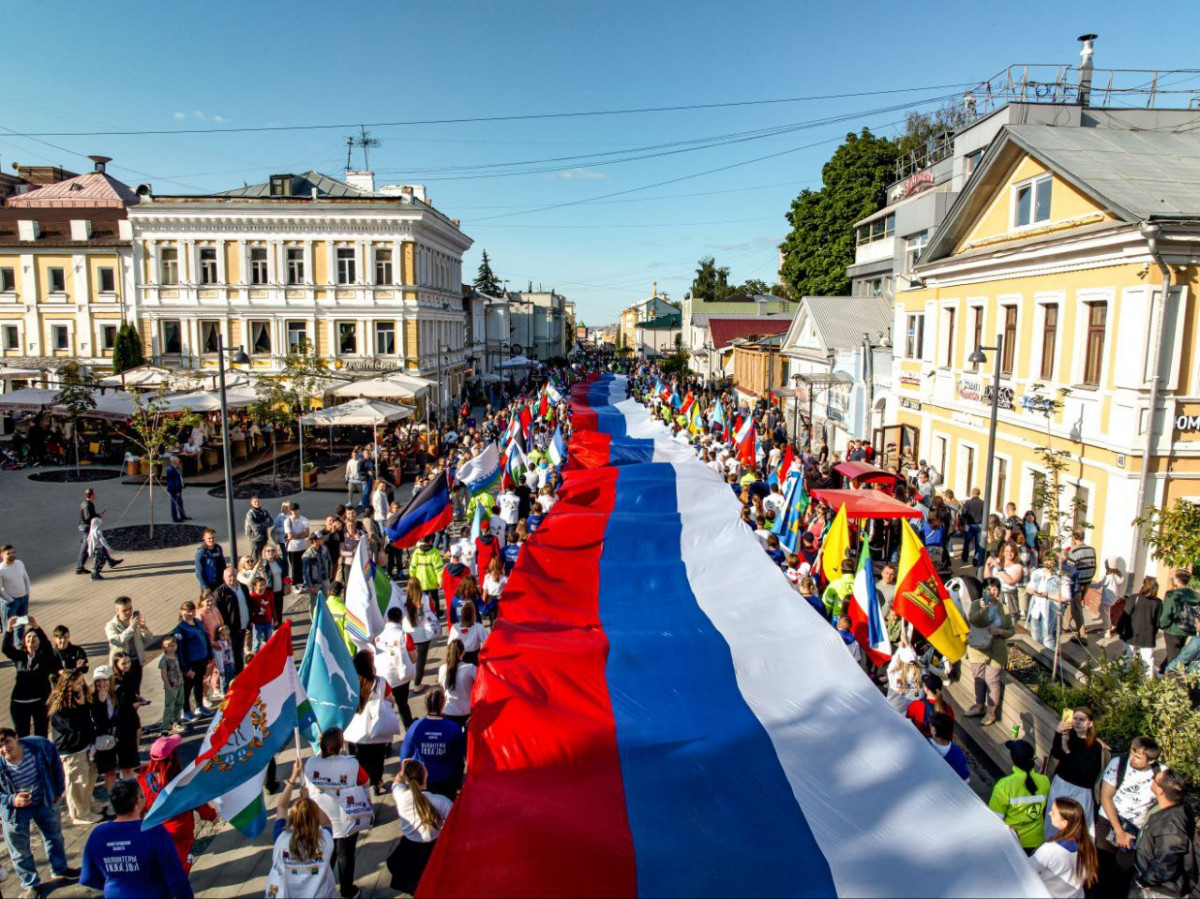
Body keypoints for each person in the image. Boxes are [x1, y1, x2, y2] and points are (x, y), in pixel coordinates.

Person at [80, 777, 192, 899]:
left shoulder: (98, 834)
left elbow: (88, 877)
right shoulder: (154, 832)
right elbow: (176, 876)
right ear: (138, 801)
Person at [0, 727, 77, 896]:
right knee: (20, 850)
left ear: (17, 738)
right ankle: (31, 884)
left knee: (54, 836)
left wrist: (58, 792)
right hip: (15, 811)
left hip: (44, 800)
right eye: (0, 745)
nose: (5, 748)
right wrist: (13, 800)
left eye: (7, 742)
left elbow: (56, 765)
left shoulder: (39, 746)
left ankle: (60, 869)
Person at [1096, 736, 1167, 898]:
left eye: (1138, 757)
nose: (1132, 759)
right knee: (1102, 868)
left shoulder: (1161, 772)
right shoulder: (1118, 764)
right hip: (1109, 819)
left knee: (1122, 874)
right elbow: (1106, 797)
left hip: (1135, 827)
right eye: (1132, 753)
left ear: (1150, 761)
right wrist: (1119, 831)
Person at [303, 729, 369, 899]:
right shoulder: (351, 764)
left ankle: (322, 888)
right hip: (344, 819)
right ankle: (347, 891)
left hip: (320, 819)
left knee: (325, 856)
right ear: (341, 746)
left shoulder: (310, 763)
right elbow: (366, 781)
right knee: (346, 855)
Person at [138, 735, 216, 874]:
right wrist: (211, 816)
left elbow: (139, 808)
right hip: (180, 831)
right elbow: (198, 803)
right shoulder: (184, 780)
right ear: (173, 757)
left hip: (155, 830)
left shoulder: (143, 779)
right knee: (179, 867)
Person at [386, 758, 453, 896]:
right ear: (425, 775)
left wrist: (402, 771)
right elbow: (454, 821)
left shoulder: (401, 796)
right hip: (433, 850)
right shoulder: (441, 802)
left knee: (414, 884)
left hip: (408, 849)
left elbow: (396, 783)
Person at [269, 765, 337, 899]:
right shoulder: (325, 841)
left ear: (293, 818)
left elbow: (281, 807)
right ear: (314, 818)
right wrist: (309, 800)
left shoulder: (281, 839)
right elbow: (327, 822)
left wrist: (293, 778)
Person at [1132, 769, 1197, 899]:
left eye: (1155, 780)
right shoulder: (1172, 809)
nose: (1152, 780)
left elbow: (1166, 864)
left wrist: (1145, 880)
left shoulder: (1171, 823)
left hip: (1162, 890)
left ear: (1161, 791)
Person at [48, 670, 100, 825]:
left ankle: (87, 806)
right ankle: (79, 814)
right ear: (68, 684)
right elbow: (73, 724)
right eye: (78, 682)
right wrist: (82, 705)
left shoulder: (80, 696)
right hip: (71, 748)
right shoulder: (59, 702)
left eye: (82, 681)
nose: (82, 685)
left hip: (85, 743)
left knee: (89, 776)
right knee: (77, 781)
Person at [1044, 706, 1103, 841]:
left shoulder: (1096, 746)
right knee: (1054, 822)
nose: (1076, 722)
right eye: (1075, 718)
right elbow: (1056, 754)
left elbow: (1085, 771)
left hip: (1080, 791)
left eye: (1081, 719)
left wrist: (1067, 750)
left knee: (1078, 826)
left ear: (1090, 723)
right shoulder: (1067, 736)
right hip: (1060, 785)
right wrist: (1058, 734)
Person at [964, 577, 1015, 727]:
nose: (992, 592)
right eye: (988, 588)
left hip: (996, 650)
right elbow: (974, 621)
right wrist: (983, 610)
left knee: (992, 681)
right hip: (978, 649)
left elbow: (1011, 629)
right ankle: (979, 706)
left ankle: (991, 712)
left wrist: (1002, 632)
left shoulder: (1003, 608)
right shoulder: (975, 604)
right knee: (979, 678)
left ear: (998, 591)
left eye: (995, 588)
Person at [345, 651, 397, 795]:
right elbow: (390, 700)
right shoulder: (381, 682)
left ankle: (361, 783)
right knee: (377, 760)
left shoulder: (351, 683)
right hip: (376, 729)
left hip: (354, 732)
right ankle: (377, 782)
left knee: (358, 761)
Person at [399, 689, 466, 800]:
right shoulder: (453, 727)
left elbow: (404, 756)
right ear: (443, 704)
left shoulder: (416, 726)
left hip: (422, 780)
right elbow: (461, 753)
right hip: (447, 780)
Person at [988, 738, 1050, 854]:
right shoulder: (1045, 781)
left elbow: (995, 820)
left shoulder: (1004, 786)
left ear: (1013, 758)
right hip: (1037, 842)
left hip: (1012, 842)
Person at [1030, 797, 1098, 898]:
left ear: (1064, 823)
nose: (1049, 813)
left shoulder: (1049, 850)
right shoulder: (1088, 846)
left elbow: (1026, 870)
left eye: (1053, 812)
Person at [374, 607, 417, 729]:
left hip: (382, 677)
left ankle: (385, 735)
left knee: (385, 708)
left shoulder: (378, 636)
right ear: (401, 620)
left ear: (387, 619)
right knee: (403, 704)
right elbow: (414, 657)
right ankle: (408, 726)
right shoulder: (404, 636)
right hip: (400, 677)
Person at [171, 601, 212, 720]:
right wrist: (185, 668)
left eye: (192, 611)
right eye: (187, 611)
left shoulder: (197, 623)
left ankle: (199, 706)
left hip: (201, 660)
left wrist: (209, 654)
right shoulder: (180, 629)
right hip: (190, 664)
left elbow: (206, 638)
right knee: (187, 688)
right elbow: (179, 651)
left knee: (199, 684)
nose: (190, 613)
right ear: (181, 612)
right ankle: (186, 710)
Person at [1158, 568, 1199, 671]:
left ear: (1177, 579)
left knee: (1174, 657)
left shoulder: (1172, 594)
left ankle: (1169, 681)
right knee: (1176, 652)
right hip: (1189, 628)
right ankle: (1162, 670)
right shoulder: (1196, 595)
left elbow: (1165, 614)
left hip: (1173, 629)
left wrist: (1162, 625)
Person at [1061, 528, 1097, 645]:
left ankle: (1083, 635)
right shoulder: (1092, 550)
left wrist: (1063, 560)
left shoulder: (1074, 552)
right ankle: (1065, 625)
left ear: (1074, 538)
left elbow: (1069, 570)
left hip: (1077, 583)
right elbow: (1094, 566)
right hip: (1087, 582)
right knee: (1074, 604)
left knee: (1077, 609)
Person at [1123, 577, 1163, 679]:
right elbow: (1158, 621)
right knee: (1148, 659)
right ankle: (1148, 681)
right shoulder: (1158, 602)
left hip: (1131, 632)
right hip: (1148, 634)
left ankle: (1125, 676)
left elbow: (1126, 615)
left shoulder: (1134, 598)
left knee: (1128, 656)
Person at [214, 565, 250, 674]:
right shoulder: (220, 593)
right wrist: (225, 631)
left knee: (239, 653)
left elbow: (248, 604)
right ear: (224, 577)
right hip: (230, 631)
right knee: (230, 656)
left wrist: (249, 622)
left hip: (243, 627)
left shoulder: (243, 588)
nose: (232, 578)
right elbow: (218, 614)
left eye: (234, 575)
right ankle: (231, 678)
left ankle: (240, 675)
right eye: (229, 576)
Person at [403, 577, 438, 687]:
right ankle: (417, 684)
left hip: (408, 634)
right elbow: (433, 611)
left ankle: (408, 681)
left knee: (409, 661)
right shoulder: (426, 598)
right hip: (423, 634)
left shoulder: (403, 599)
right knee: (420, 661)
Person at [438, 639, 477, 729]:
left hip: (449, 710)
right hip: (467, 711)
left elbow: (441, 684)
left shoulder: (442, 669)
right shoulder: (470, 668)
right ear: (463, 651)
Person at [905, 672, 954, 739]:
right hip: (939, 742)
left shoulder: (917, 705)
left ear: (926, 689)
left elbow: (907, 720)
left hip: (921, 740)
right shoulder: (948, 708)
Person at [408, 535, 445, 620]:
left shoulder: (416, 552)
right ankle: (436, 614)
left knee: (421, 599)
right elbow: (439, 569)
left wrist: (412, 577)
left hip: (420, 581)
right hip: (432, 581)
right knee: (434, 599)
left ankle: (423, 615)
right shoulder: (435, 552)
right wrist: (440, 580)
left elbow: (412, 567)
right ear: (431, 540)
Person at [927, 712, 969, 782]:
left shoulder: (925, 743)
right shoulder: (957, 752)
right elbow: (965, 779)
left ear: (934, 730)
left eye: (931, 726)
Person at [157, 635, 186, 736]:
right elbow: (164, 674)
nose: (172, 647)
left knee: (180, 703)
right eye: (169, 645)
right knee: (169, 706)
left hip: (180, 683)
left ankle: (176, 721)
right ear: (164, 647)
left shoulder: (177, 656)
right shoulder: (164, 660)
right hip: (171, 686)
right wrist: (167, 684)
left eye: (174, 645)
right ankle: (165, 726)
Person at [449, 600, 489, 667]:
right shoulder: (478, 627)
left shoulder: (454, 627)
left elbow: (449, 644)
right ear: (474, 614)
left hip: (458, 659)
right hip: (473, 659)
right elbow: (487, 642)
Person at [0, 545, 32, 627]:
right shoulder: (1, 570)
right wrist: (11, 600)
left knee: (22, 625)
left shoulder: (19, 563)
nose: (12, 555)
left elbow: (26, 579)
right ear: (2, 555)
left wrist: (27, 593)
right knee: (9, 626)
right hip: (11, 602)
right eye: (8, 553)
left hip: (23, 599)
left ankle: (19, 640)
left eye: (13, 552)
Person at [301, 533, 333, 614]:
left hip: (325, 580)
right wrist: (310, 585)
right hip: (315, 583)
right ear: (314, 541)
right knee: (314, 603)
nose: (322, 540)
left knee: (327, 601)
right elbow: (306, 572)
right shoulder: (307, 555)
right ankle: (314, 622)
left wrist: (330, 576)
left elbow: (329, 562)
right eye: (320, 539)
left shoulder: (324, 549)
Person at [284, 504, 311, 589]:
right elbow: (290, 536)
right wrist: (300, 535)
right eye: (292, 510)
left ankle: (303, 582)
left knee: (303, 566)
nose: (294, 512)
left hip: (302, 547)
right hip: (292, 548)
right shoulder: (287, 521)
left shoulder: (304, 520)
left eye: (295, 510)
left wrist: (296, 535)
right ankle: (295, 584)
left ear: (299, 509)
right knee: (294, 567)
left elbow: (307, 534)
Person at [247, 575, 276, 651]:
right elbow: (250, 611)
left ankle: (269, 659)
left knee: (269, 642)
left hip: (268, 622)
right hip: (257, 623)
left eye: (264, 585)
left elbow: (272, 607)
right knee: (256, 644)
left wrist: (275, 618)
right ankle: (255, 660)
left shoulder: (269, 594)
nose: (263, 587)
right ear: (255, 586)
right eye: (260, 585)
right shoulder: (252, 597)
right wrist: (250, 622)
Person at [193, 528, 227, 592]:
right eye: (209, 538)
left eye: (213, 537)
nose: (211, 540)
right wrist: (205, 586)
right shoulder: (201, 553)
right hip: (209, 584)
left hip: (220, 582)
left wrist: (225, 578)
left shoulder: (218, 548)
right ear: (204, 538)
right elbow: (199, 572)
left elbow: (223, 564)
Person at [75, 488, 99, 575]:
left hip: (85, 527)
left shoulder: (86, 503)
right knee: (85, 548)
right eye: (94, 494)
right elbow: (88, 518)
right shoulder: (87, 504)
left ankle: (81, 567)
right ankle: (79, 567)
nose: (96, 495)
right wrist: (97, 517)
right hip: (86, 528)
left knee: (88, 546)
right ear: (91, 495)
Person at [243, 494, 273, 561]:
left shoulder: (264, 512)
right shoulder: (250, 514)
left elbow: (271, 522)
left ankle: (263, 571)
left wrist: (261, 524)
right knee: (255, 559)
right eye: (255, 501)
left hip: (264, 538)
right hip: (255, 540)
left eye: (258, 501)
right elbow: (255, 528)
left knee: (264, 558)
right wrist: (265, 523)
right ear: (251, 503)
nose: (257, 503)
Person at [960, 488, 985, 565]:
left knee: (967, 541)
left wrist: (962, 523)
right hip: (980, 525)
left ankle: (964, 557)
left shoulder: (968, 503)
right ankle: (975, 560)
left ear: (972, 493)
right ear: (979, 493)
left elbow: (964, 514)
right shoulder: (983, 503)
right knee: (978, 543)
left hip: (970, 525)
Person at [165, 455, 189, 523]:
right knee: (174, 503)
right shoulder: (171, 469)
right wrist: (177, 491)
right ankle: (175, 518)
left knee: (180, 502)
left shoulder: (175, 468)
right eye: (178, 461)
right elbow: (174, 482)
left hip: (178, 488)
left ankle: (182, 515)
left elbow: (179, 478)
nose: (179, 462)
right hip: (174, 489)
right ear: (175, 462)